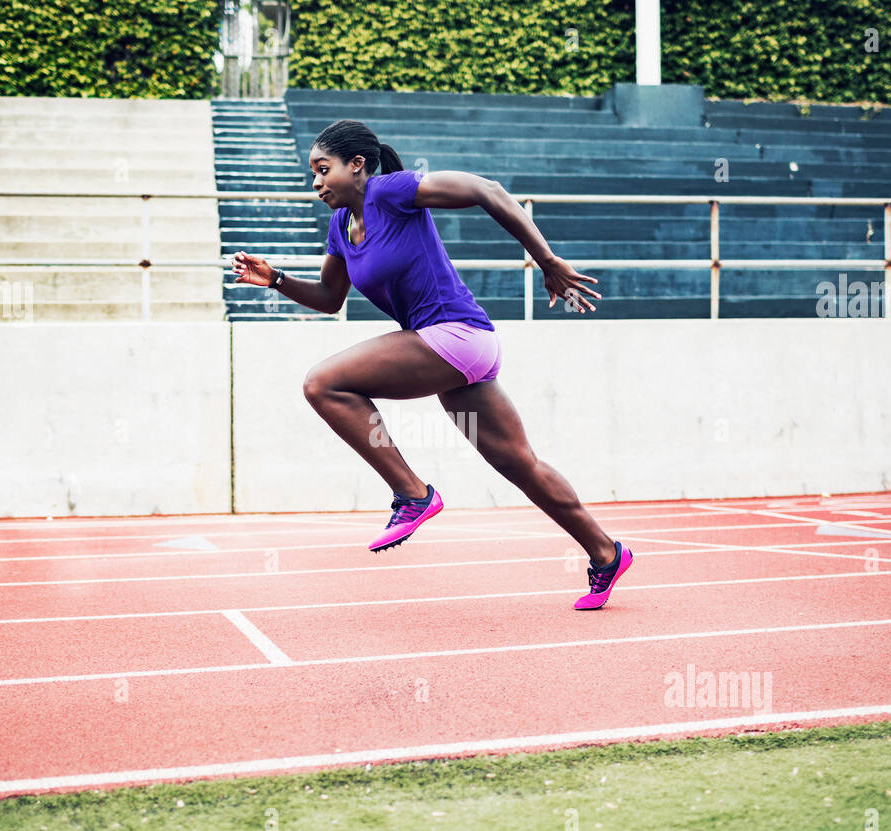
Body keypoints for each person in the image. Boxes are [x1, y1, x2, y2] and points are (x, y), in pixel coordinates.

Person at [231, 119, 632, 609]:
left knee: (322, 383)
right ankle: (606, 552)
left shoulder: (391, 192)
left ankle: (412, 494)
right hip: (454, 352)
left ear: (356, 165)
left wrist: (545, 260)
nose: (315, 182)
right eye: (312, 173)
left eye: (322, 169)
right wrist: (276, 279)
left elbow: (488, 190)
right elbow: (330, 298)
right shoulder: (340, 227)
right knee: (520, 464)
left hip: (455, 335)